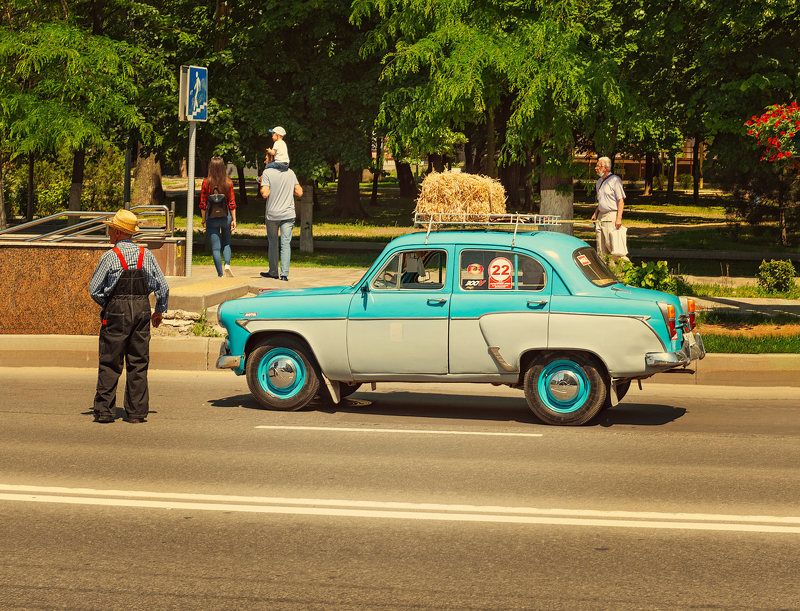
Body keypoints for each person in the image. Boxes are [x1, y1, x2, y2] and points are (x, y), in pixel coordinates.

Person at [89, 209, 169, 424]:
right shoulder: (147, 255)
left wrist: (110, 305)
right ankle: (136, 412)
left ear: (116, 232)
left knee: (110, 361)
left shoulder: (110, 257)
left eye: (110, 229)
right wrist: (159, 311)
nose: (108, 233)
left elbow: (94, 289)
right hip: (142, 309)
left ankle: (105, 411)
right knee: (138, 362)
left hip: (116, 311)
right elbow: (163, 286)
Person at [260, 150, 303, 281]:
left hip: (272, 215)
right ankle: (284, 274)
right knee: (286, 243)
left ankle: (273, 271)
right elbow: (299, 192)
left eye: (266, 158)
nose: (264, 161)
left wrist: (262, 186)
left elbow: (265, 194)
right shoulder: (291, 173)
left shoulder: (266, 173)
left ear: (272, 159)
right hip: (288, 214)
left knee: (273, 243)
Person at [199, 156, 237, 277]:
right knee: (226, 243)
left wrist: (203, 219)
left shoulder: (206, 183)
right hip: (225, 217)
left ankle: (220, 274)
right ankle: (227, 265)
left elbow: (203, 204)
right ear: (223, 167)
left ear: (211, 167)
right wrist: (234, 219)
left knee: (215, 248)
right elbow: (232, 202)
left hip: (212, 218)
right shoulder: (228, 182)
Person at [591, 156, 626, 259]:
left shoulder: (615, 180)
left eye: (598, 166)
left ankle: (626, 268)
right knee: (600, 247)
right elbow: (601, 200)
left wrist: (618, 218)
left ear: (606, 168)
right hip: (601, 216)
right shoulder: (599, 182)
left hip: (611, 215)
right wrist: (596, 212)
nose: (596, 168)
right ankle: (605, 271)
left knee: (612, 245)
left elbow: (621, 200)